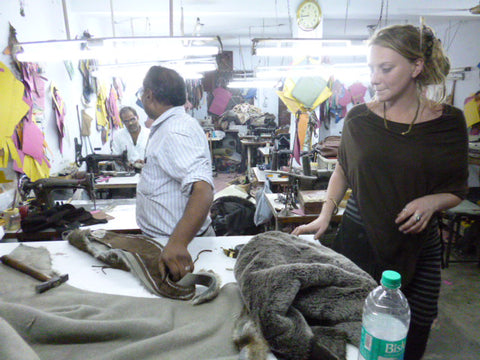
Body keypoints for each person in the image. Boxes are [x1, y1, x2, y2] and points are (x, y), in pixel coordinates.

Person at [292, 23, 468, 360]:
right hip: (359, 242)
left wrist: (432, 202)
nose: (374, 78)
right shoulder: (359, 118)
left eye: (385, 68)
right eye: (371, 68)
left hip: (418, 248)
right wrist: (325, 215)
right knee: (348, 332)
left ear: (416, 66)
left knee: (410, 335)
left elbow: (456, 187)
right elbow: (343, 168)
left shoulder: (448, 123)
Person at [136, 66, 215, 282]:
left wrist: (177, 243)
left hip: (179, 249)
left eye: (141, 93)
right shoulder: (173, 125)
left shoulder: (175, 131)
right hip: (170, 242)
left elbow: (203, 190)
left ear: (149, 95)